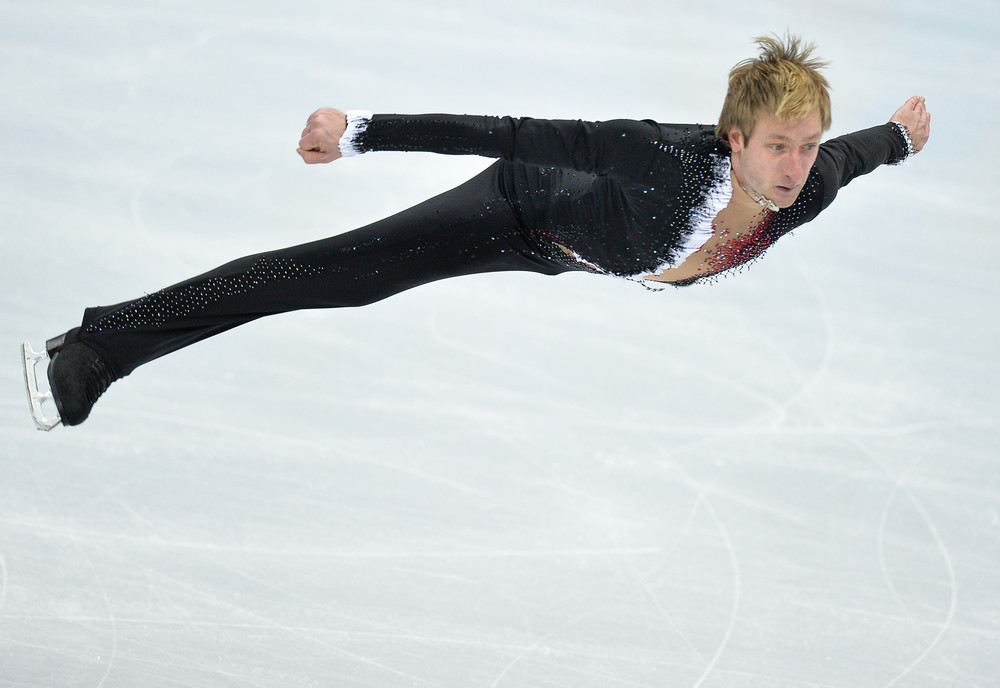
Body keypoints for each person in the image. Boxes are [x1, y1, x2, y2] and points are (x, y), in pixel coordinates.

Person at [21, 34, 931, 430]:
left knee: (339, 279)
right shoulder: (660, 158)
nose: (795, 166)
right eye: (777, 146)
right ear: (734, 138)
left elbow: (859, 153)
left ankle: (105, 344)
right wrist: (360, 132)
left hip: (563, 253)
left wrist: (898, 136)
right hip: (518, 207)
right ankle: (99, 346)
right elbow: (512, 134)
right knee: (333, 274)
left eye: (805, 146)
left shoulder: (808, 185)